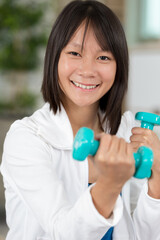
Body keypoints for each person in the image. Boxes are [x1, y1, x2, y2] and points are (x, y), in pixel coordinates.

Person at [1, 1, 160, 239]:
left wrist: (157, 183)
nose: (88, 70)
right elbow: (62, 232)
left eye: (103, 57)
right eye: (75, 53)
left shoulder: (129, 130)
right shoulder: (26, 138)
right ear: (55, 57)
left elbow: (142, 234)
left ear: (119, 66)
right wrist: (109, 184)